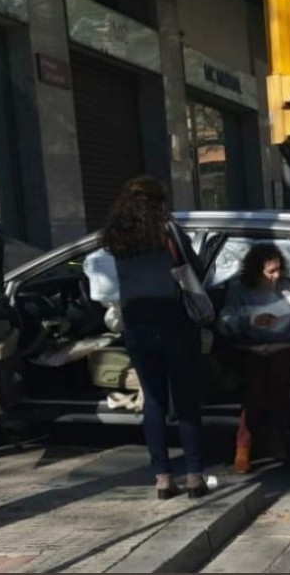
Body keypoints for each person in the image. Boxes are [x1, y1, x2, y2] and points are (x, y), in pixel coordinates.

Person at [102, 176, 208, 500]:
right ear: (159, 203)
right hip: (175, 322)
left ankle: (162, 478)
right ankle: (194, 476)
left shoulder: (116, 237)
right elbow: (196, 269)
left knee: (154, 400)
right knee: (186, 401)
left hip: (137, 324)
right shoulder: (168, 232)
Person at [218, 244, 290, 475]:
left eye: (278, 270)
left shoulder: (288, 287)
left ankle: (274, 436)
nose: (276, 276)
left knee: (280, 384)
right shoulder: (239, 289)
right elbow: (224, 321)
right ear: (255, 271)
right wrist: (250, 321)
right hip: (249, 346)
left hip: (283, 344)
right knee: (255, 388)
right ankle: (244, 447)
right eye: (270, 272)